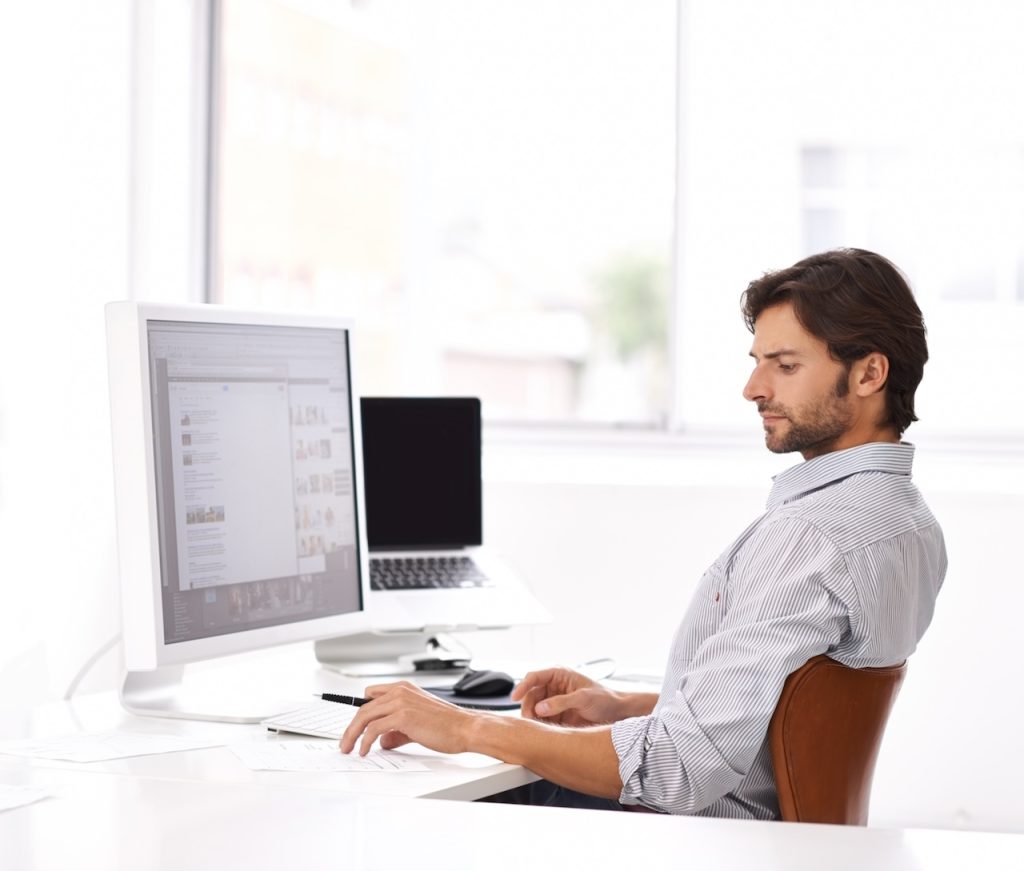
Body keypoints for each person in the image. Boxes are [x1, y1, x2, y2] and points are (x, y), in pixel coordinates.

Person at [339, 248, 947, 819]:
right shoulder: (907, 520)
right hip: (762, 832)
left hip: (695, 837)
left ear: (869, 374)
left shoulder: (812, 535)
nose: (754, 388)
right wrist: (627, 708)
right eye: (758, 362)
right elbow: (786, 715)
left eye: (785, 365)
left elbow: (677, 771)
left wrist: (468, 726)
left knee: (388, 802)